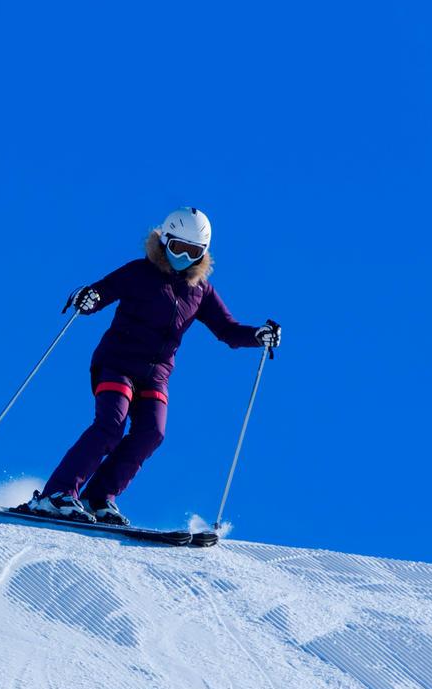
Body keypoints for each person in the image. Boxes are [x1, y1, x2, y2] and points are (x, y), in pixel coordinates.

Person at [29, 208, 281, 526]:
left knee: (152, 433)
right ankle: (58, 494)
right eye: (178, 248)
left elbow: (228, 330)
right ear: (163, 241)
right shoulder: (140, 273)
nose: (183, 258)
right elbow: (103, 291)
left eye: (193, 252)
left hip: (156, 376)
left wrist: (258, 336)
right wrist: (87, 298)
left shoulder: (200, 290)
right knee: (110, 425)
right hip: (117, 363)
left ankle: (99, 497)